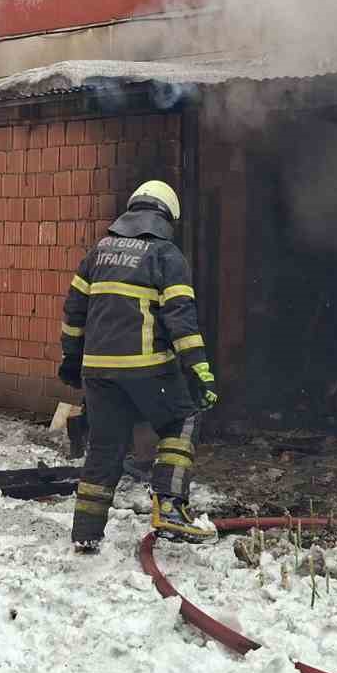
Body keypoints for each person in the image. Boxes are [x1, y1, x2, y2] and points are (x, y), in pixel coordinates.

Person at [59, 179, 218, 552]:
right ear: (166, 217)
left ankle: (86, 531)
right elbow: (182, 319)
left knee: (104, 447)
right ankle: (170, 506)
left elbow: (74, 311)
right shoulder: (166, 256)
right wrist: (199, 369)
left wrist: (71, 358)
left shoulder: (97, 252)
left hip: (97, 370)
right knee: (183, 418)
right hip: (146, 367)